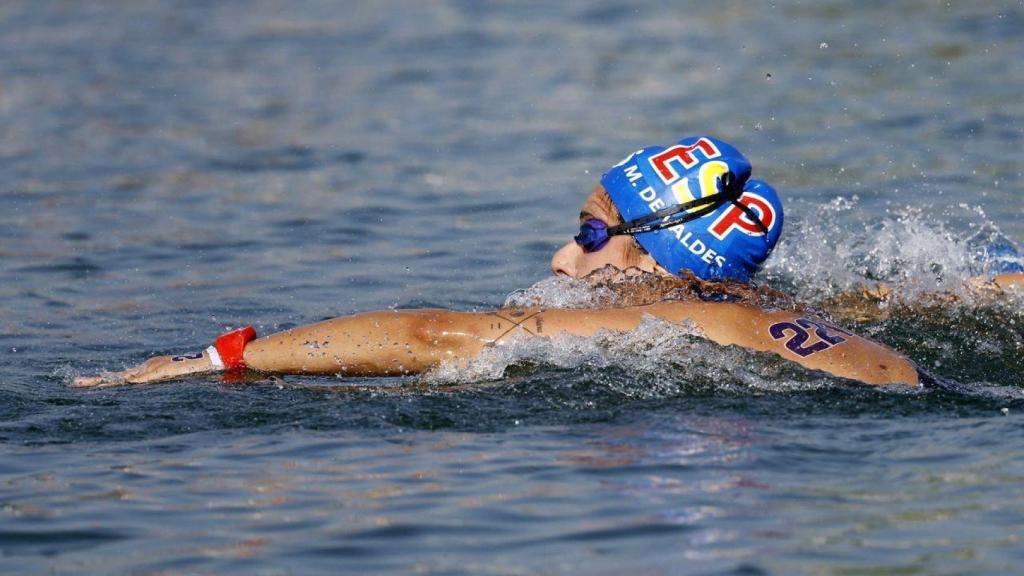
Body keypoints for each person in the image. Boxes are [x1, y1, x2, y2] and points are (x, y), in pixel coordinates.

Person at [75, 136, 947, 389]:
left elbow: (435, 333)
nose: (565, 259)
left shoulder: (675, 318)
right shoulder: (815, 310)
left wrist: (215, 358)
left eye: (596, 234)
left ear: (665, 252)